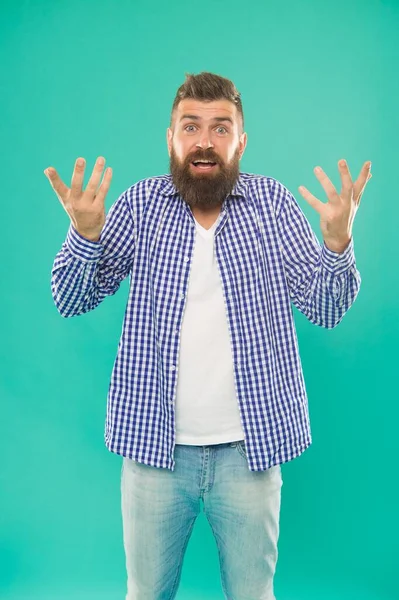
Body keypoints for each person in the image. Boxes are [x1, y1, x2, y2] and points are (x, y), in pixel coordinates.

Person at [45, 72, 372, 600]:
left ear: (241, 141)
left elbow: (326, 309)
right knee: (146, 593)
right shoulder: (141, 205)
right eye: (190, 126)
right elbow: (70, 298)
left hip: (251, 450)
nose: (204, 140)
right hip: (154, 451)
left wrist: (338, 246)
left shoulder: (272, 205)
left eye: (221, 128)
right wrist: (84, 236)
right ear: (170, 138)